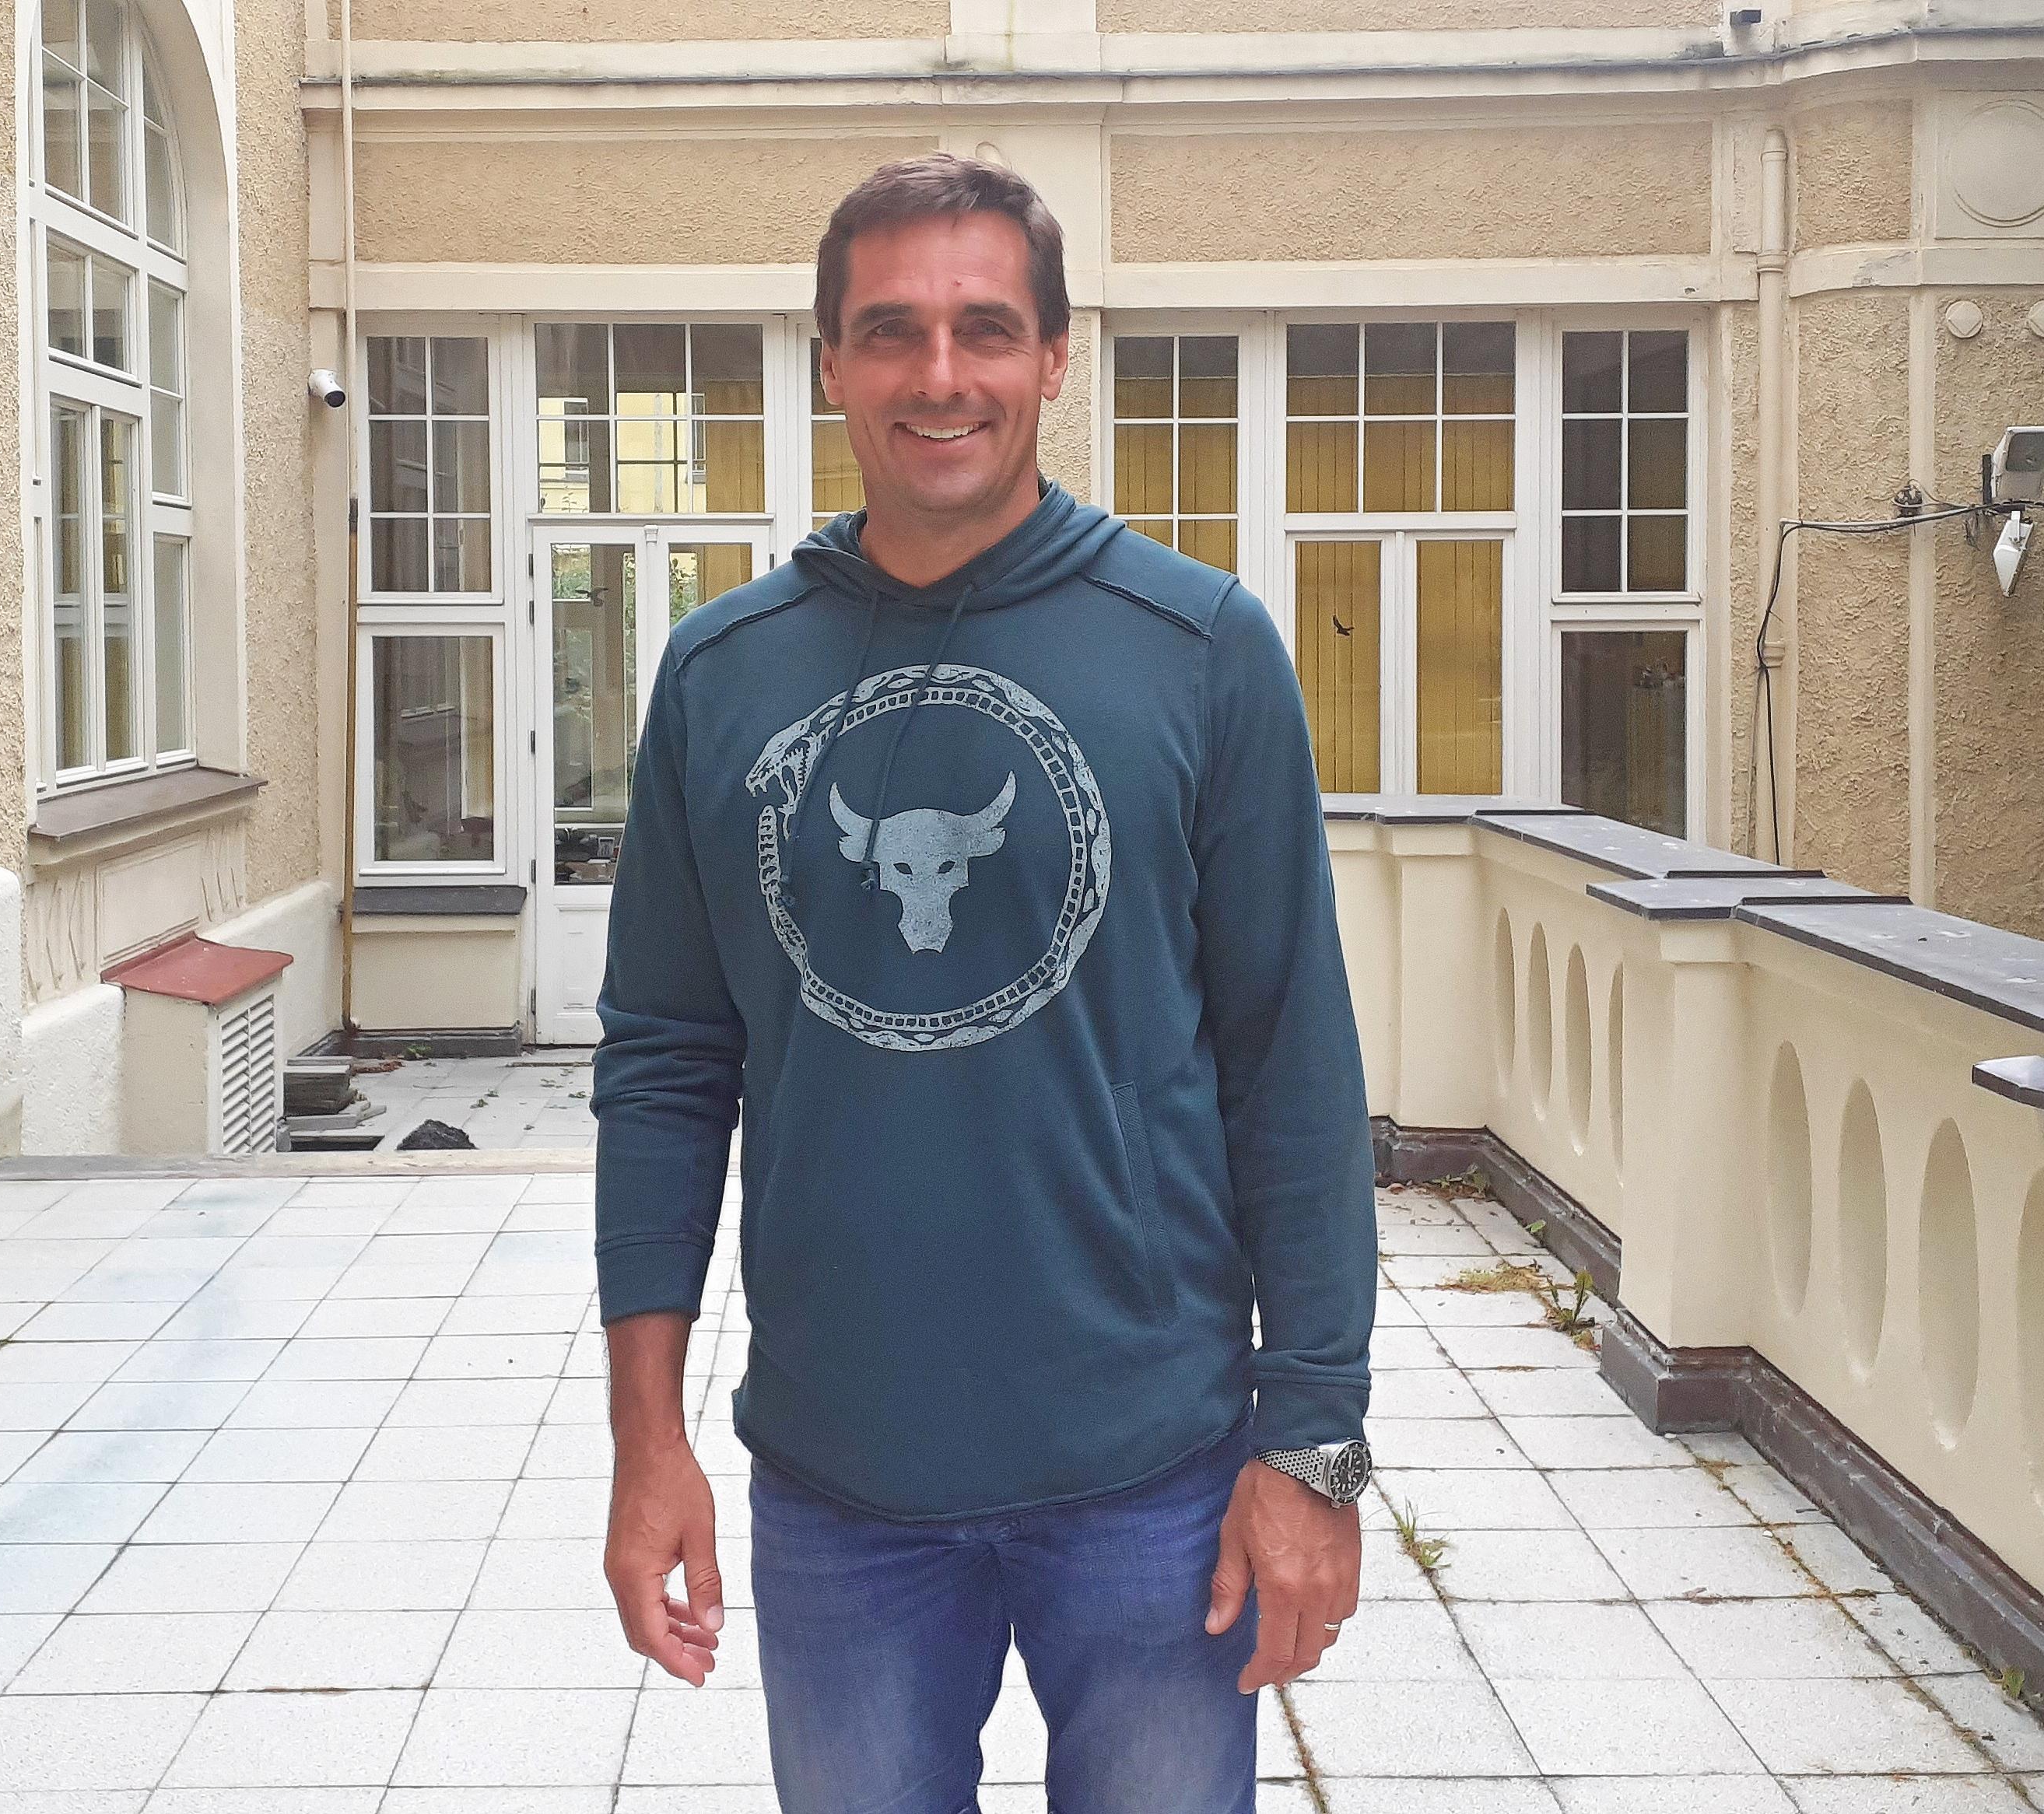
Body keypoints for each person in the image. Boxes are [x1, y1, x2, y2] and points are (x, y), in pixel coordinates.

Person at [592, 152, 1378, 1814]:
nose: (937, 374)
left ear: (1054, 356)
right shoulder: (722, 675)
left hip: (1152, 1472)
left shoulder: (1199, 649)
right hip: (841, 1480)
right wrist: (646, 1441)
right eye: (890, 330)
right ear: (829, 361)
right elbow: (663, 1066)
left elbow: (1290, 1062)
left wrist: (1310, 1443)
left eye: (984, 328)